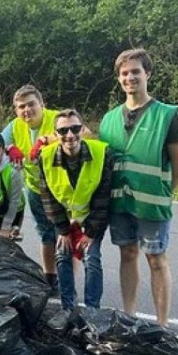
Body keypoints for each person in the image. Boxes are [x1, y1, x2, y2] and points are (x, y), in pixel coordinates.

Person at [99, 48, 178, 327]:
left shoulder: (167, 116)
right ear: (119, 79)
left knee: (156, 259)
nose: (129, 77)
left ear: (147, 74)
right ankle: (129, 317)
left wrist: (163, 194)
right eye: (124, 73)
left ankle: (162, 325)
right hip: (120, 203)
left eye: (135, 71)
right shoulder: (109, 119)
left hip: (151, 204)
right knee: (127, 255)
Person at [39, 109, 113, 326]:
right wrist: (63, 230)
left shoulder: (102, 153)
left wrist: (90, 233)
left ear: (83, 129)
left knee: (92, 258)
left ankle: (92, 312)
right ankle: (68, 309)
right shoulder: (46, 157)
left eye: (74, 128)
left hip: (92, 216)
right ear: (56, 133)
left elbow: (103, 195)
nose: (69, 135)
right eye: (63, 130)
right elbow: (48, 197)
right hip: (65, 216)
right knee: (62, 255)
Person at [0, 84, 60, 289]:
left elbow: (83, 133)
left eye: (31, 104)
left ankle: (68, 280)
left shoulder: (56, 118)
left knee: (65, 236)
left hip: (62, 189)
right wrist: (9, 147)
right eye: (21, 107)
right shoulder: (16, 125)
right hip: (35, 188)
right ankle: (50, 277)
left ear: (42, 104)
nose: (27, 110)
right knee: (45, 234)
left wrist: (46, 139)